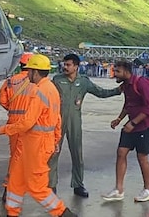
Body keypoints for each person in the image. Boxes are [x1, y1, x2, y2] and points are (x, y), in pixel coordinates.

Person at [0, 54, 76, 217]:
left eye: (29, 70)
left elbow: (27, 123)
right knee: (15, 181)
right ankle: (12, 212)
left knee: (37, 187)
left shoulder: (40, 92)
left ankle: (64, 213)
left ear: (35, 72)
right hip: (30, 144)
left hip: (37, 146)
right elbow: (57, 118)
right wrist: (56, 139)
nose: (27, 74)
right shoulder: (51, 89)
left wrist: (1, 130)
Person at [48, 53, 121, 197]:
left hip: (74, 121)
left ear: (76, 66)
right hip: (57, 121)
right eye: (64, 64)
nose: (65, 67)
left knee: (77, 153)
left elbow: (100, 92)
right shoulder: (57, 80)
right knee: (53, 153)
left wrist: (117, 91)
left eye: (68, 65)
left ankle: (78, 185)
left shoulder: (84, 82)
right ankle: (51, 185)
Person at [102, 61, 149, 203]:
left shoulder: (142, 83)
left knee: (142, 157)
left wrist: (133, 123)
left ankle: (148, 189)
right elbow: (128, 104)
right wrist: (119, 119)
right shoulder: (125, 86)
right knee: (121, 152)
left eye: (117, 71)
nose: (115, 73)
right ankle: (118, 189)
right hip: (131, 124)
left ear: (127, 71)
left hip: (145, 125)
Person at [0, 52, 34, 202]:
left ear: (20, 65)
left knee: (15, 156)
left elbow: (2, 101)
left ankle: (9, 189)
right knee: (25, 158)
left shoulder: (10, 81)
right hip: (29, 123)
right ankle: (13, 189)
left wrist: (13, 110)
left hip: (13, 122)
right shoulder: (37, 82)